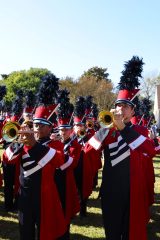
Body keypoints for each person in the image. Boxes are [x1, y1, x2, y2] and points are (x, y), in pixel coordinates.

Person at [84, 87, 156, 240]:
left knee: (131, 232)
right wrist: (105, 129)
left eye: (125, 106)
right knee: (112, 232)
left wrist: (123, 129)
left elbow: (150, 150)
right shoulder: (107, 131)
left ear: (132, 112)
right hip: (111, 191)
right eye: (118, 105)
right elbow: (88, 151)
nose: (121, 109)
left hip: (133, 190)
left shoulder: (140, 130)